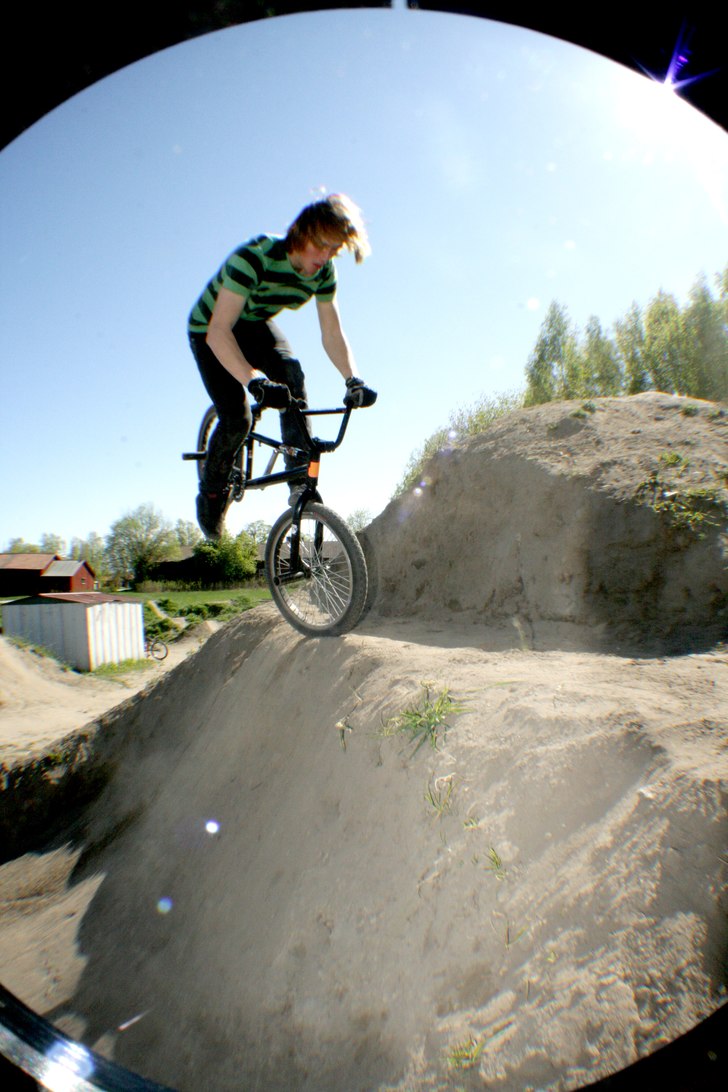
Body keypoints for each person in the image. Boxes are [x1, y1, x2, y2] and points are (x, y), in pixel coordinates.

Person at [188, 193, 377, 539]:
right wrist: (253, 380)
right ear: (300, 233)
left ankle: (298, 482)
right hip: (211, 329)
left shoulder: (323, 274)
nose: (324, 257)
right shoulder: (255, 257)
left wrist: (353, 379)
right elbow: (219, 331)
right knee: (237, 418)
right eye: (320, 246)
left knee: (291, 374)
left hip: (255, 323)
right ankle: (211, 492)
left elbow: (332, 331)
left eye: (333, 250)